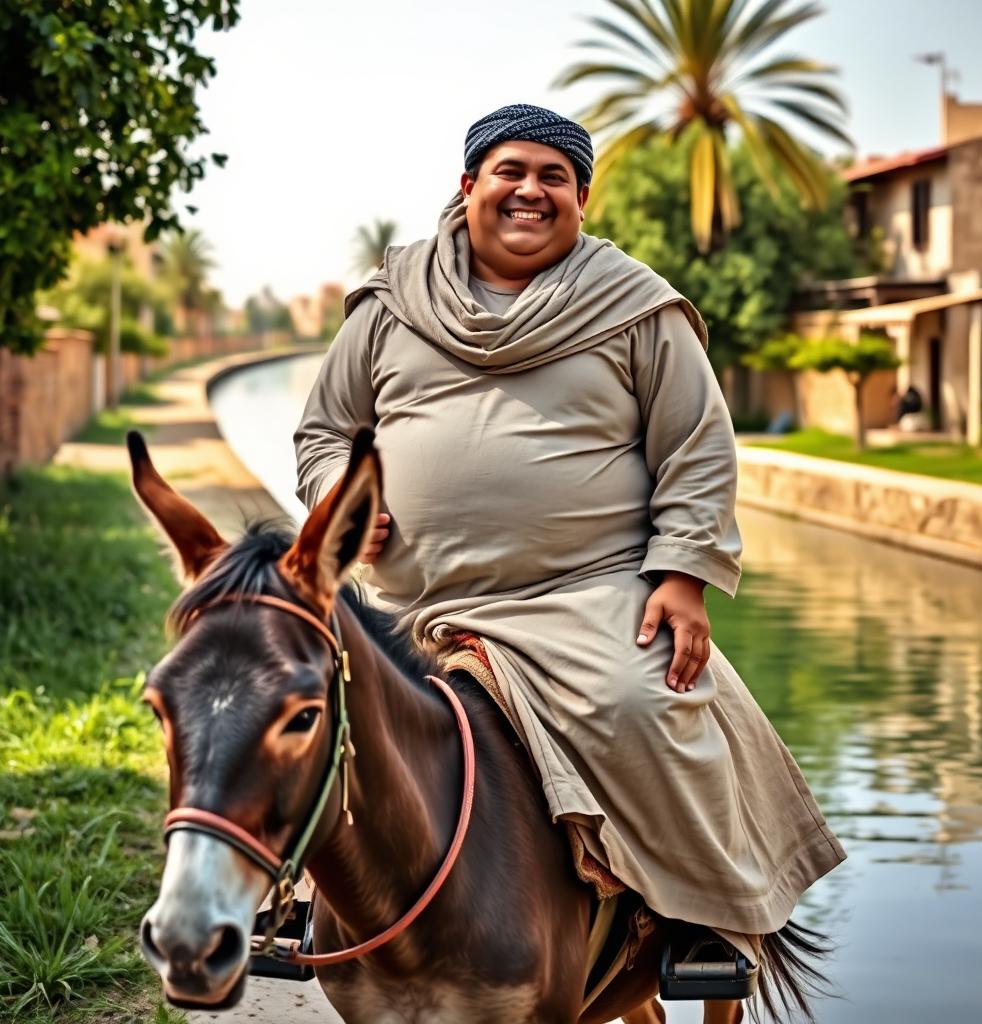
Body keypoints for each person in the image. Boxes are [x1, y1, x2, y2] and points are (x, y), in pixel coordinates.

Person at [295, 103, 845, 1010]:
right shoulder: (390, 303)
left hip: (579, 596)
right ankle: (293, 900)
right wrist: (332, 496)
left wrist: (681, 576)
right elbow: (325, 431)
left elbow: (697, 448)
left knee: (648, 704)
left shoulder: (634, 305)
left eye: (556, 177)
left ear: (581, 199)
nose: (531, 190)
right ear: (469, 185)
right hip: (406, 603)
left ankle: (700, 917)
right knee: (299, 715)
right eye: (511, 170)